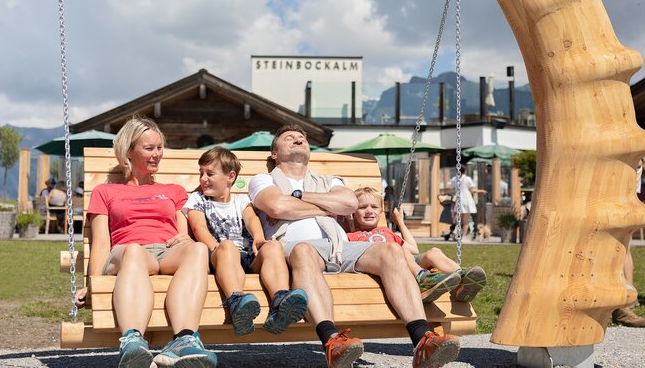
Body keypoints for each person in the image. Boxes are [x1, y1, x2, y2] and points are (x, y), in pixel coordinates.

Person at [248, 124, 460, 368]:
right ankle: (332, 342)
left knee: (390, 250)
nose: (297, 140)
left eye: (301, 138)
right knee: (303, 250)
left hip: (340, 247)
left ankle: (422, 341)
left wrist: (295, 197)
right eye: (289, 138)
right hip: (293, 247)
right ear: (274, 153)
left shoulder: (329, 180)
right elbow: (277, 207)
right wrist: (328, 206)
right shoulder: (263, 180)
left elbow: (349, 203)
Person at [73, 117, 216, 368]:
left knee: (198, 249)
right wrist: (91, 283)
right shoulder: (105, 192)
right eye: (149, 148)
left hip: (166, 252)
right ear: (129, 151)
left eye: (160, 147)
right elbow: (101, 243)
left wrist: (188, 238)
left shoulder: (173, 191)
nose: (157, 154)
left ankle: (184, 339)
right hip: (125, 254)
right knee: (135, 251)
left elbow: (182, 233)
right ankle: (133, 341)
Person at [184, 146, 308, 336]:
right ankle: (236, 302)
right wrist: (215, 247)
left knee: (273, 246)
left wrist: (259, 238)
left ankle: (280, 301)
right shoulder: (197, 199)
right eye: (201, 173)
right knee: (228, 247)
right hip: (219, 256)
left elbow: (251, 219)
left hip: (248, 256)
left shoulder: (241, 200)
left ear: (230, 177)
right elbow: (198, 227)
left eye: (209, 173)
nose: (203, 179)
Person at [346, 186, 487, 304]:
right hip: (391, 268)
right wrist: (350, 223)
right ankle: (422, 280)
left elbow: (414, 249)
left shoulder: (386, 231)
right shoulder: (351, 237)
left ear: (381, 211)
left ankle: (464, 280)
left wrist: (400, 222)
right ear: (353, 212)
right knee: (400, 251)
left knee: (434, 252)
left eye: (374, 207)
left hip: (409, 262)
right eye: (363, 207)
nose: (369, 211)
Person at [612, 159, 645, 328]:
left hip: (621, 205)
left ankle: (625, 301)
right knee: (621, 251)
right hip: (620, 205)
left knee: (621, 250)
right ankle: (625, 300)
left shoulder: (631, 158)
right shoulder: (632, 157)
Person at [451, 166, 485, 241]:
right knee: (465, 221)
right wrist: (480, 191)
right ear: (465, 171)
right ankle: (463, 237)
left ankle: (456, 233)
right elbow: (472, 190)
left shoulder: (454, 179)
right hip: (467, 200)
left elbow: (452, 189)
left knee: (458, 220)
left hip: (459, 199)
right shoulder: (467, 179)